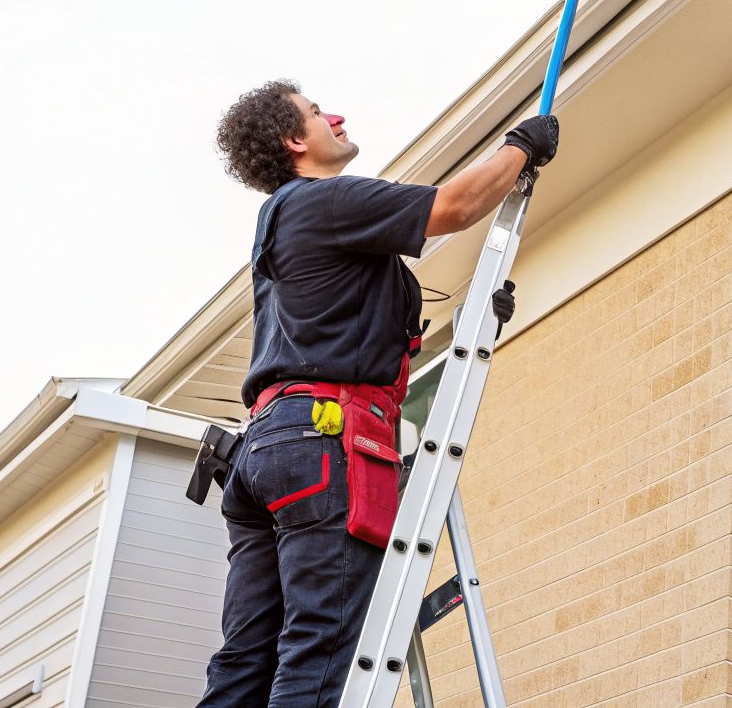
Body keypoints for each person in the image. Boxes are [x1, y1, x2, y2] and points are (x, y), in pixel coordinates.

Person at [200, 79, 557, 708]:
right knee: (321, 648)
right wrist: (518, 149)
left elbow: (356, 341)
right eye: (316, 113)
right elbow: (454, 206)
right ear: (294, 141)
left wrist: (480, 311)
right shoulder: (323, 201)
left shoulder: (287, 228)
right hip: (321, 444)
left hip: (267, 450)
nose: (335, 116)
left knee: (246, 662)